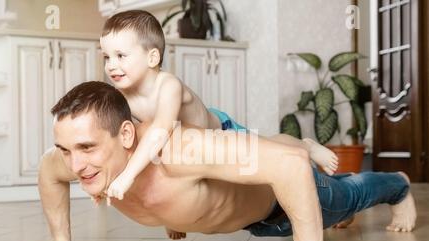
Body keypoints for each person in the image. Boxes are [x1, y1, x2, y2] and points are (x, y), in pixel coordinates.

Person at [6, 82, 417, 241]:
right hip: (245, 214)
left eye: (86, 148)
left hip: (281, 206)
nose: (75, 165)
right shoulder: (73, 161)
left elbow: (290, 166)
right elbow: (48, 172)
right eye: (65, 149)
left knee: (352, 193)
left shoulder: (180, 151)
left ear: (128, 136)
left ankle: (398, 184)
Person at [98, 10, 339, 207]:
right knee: (161, 161)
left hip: (221, 134)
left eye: (120, 55)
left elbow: (161, 130)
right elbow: (125, 142)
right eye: (106, 57)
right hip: (188, 154)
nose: (111, 65)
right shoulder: (123, 98)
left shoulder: (167, 84)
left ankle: (305, 146)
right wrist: (103, 179)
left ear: (152, 58)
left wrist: (127, 176)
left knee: (271, 150)